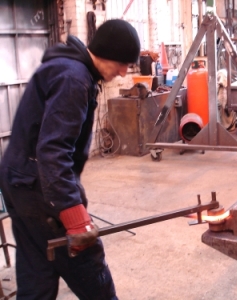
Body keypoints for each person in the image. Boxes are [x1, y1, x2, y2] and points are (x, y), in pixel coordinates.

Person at [0, 19, 140, 299]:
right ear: (106, 52)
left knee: (38, 270)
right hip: (38, 187)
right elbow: (52, 153)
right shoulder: (74, 78)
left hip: (18, 181)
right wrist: (75, 217)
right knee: (89, 267)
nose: (124, 72)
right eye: (123, 63)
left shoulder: (66, 67)